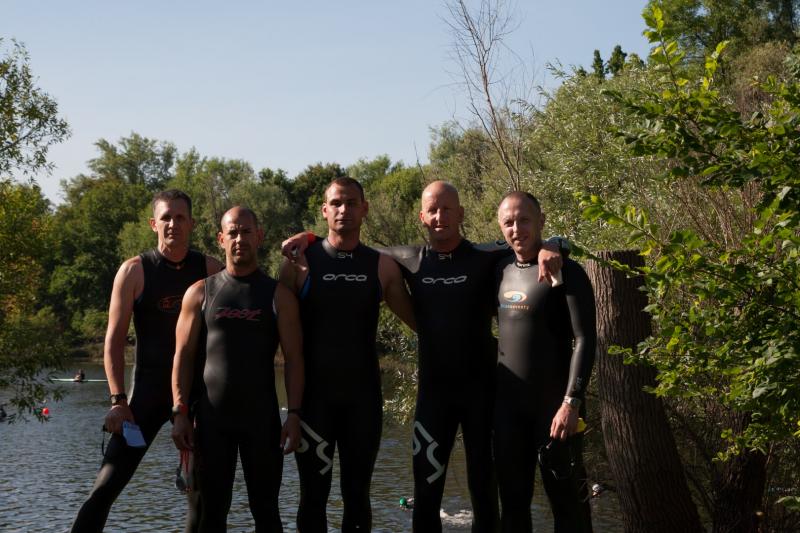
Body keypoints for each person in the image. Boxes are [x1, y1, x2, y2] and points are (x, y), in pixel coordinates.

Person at [282, 180, 563, 532]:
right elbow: (347, 244)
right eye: (432, 210)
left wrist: (553, 244)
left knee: (485, 496)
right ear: (422, 217)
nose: (440, 216)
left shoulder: (486, 257)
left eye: (447, 209)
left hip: (482, 397)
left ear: (461, 214)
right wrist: (308, 237)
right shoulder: (406, 260)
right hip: (432, 399)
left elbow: (527, 242)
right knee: (424, 499)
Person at [70, 190, 223, 533]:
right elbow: (113, 341)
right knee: (105, 487)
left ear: (191, 224)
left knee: (201, 496)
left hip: (198, 394)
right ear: (154, 224)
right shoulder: (134, 271)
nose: (173, 224)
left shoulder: (211, 269)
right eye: (166, 217)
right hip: (147, 393)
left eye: (180, 218)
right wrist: (118, 400)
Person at [279, 177, 415, 532]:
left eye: (352, 203)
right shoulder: (298, 263)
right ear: (324, 210)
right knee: (313, 497)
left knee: (357, 496)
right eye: (336, 203)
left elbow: (421, 322)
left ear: (364, 209)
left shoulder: (381, 267)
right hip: (314, 402)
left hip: (362, 401)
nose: (344, 210)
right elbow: (275, 332)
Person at [171, 206, 304, 533]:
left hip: (262, 421)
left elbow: (294, 359)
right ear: (221, 239)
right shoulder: (200, 292)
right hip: (212, 423)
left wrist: (294, 415)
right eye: (232, 232)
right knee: (211, 515)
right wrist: (180, 412)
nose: (239, 239)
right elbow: (183, 356)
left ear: (259, 237)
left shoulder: (278, 296)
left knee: (267, 513)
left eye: (246, 232)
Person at [493, 191, 596, 532]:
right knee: (513, 509)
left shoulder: (566, 271)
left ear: (541, 221)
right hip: (509, 412)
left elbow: (585, 339)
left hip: (555, 411)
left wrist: (571, 402)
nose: (516, 228)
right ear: (500, 226)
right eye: (509, 222)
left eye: (524, 220)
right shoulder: (499, 269)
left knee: (569, 509)